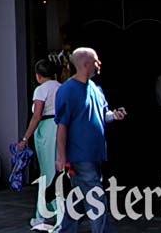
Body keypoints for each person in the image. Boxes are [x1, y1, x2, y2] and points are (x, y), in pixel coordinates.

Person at [54, 48, 126, 233]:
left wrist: (114, 116)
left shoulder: (96, 88)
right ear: (85, 64)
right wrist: (61, 156)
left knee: (79, 196)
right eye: (96, 60)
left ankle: (67, 230)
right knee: (96, 197)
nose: (99, 63)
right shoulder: (67, 91)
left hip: (95, 154)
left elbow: (103, 114)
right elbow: (61, 126)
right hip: (79, 155)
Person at [17, 60, 61, 231]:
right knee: (55, 172)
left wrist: (24, 138)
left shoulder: (41, 89)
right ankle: (44, 213)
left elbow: (37, 115)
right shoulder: (61, 87)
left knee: (47, 173)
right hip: (60, 127)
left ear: (38, 75)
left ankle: (53, 214)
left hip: (46, 128)